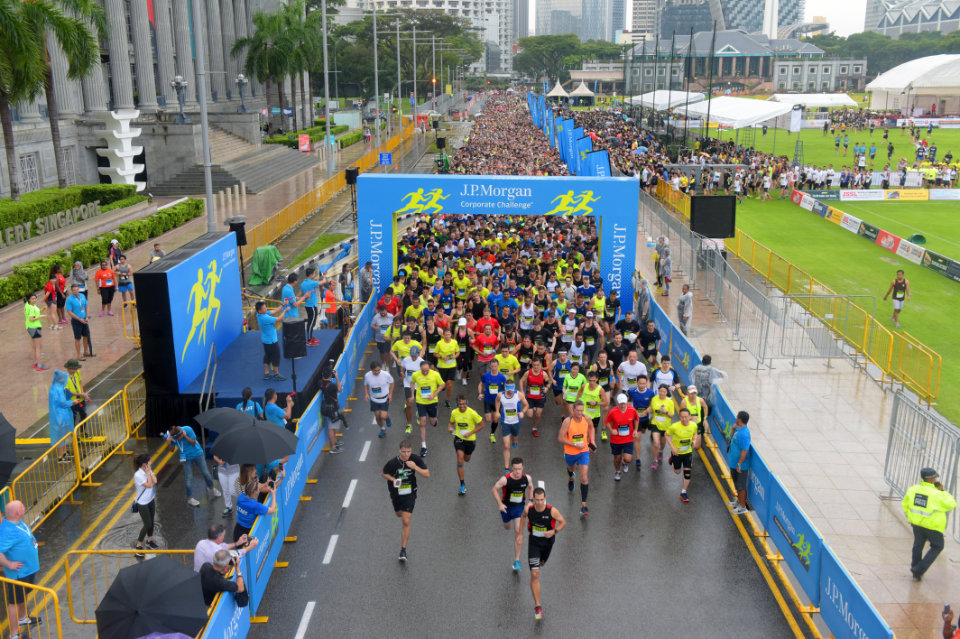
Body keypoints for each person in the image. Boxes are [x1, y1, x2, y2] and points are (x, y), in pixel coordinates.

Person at [902, 467, 957, 580]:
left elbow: (905, 506)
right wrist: (942, 490)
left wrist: (910, 519)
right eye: (935, 477)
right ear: (931, 479)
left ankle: (915, 569)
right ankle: (919, 569)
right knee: (937, 546)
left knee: (918, 546)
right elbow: (951, 503)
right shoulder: (936, 494)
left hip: (917, 524)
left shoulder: (913, 489)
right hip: (933, 526)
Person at [520, 487, 566, 621]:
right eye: (537, 500)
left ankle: (542, 561)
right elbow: (523, 517)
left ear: (545, 498)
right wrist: (519, 533)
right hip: (534, 544)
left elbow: (563, 522)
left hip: (547, 544)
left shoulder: (552, 511)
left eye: (542, 500)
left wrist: (554, 531)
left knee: (542, 563)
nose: (539, 502)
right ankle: (538, 606)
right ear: (533, 499)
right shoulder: (529, 509)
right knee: (535, 574)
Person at [381, 440, 430, 561]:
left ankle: (403, 551)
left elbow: (427, 474)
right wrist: (393, 480)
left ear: (411, 451)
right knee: (399, 514)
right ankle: (400, 511)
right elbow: (384, 474)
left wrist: (415, 467)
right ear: (399, 451)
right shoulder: (393, 463)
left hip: (410, 492)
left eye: (408, 451)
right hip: (396, 493)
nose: (406, 454)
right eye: (404, 452)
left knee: (406, 520)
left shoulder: (416, 459)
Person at [0, 501, 42, 635]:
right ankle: (14, 634)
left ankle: (23, 618)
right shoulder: (7, 532)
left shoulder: (17, 521)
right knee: (14, 602)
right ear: (18, 512)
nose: (25, 508)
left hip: (28, 570)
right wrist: (8, 564)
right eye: (23, 507)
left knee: (22, 596)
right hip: (18, 574)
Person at [492, 457, 532, 572]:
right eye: (515, 469)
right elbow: (494, 489)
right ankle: (507, 522)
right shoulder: (505, 479)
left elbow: (531, 487)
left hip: (519, 508)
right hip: (506, 507)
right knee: (507, 526)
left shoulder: (526, 478)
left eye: (519, 469)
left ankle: (517, 560)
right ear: (512, 469)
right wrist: (500, 504)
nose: (517, 472)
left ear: (522, 467)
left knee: (518, 532)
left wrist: (531, 501)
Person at [165, 425, 221, 506]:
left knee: (206, 473)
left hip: (197, 454)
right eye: (177, 438)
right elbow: (171, 450)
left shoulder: (188, 429)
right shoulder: (173, 437)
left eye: (180, 437)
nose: (179, 439)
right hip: (186, 458)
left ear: (181, 433)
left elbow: (193, 442)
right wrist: (168, 443)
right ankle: (190, 498)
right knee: (189, 478)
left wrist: (185, 436)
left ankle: (211, 488)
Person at [558, 400, 594, 517]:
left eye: (581, 410)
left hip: (583, 451)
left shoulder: (586, 418)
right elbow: (560, 438)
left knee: (584, 478)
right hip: (570, 452)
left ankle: (584, 505)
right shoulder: (567, 422)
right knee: (571, 468)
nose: (579, 413)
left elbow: (591, 428)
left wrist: (592, 441)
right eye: (577, 410)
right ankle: (570, 477)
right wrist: (574, 445)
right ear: (573, 410)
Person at [450, 395, 483, 495]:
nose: (462, 406)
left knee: (466, 459)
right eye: (460, 404)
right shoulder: (454, 412)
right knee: (460, 459)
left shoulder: (472, 413)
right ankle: (462, 484)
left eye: (464, 404)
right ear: (457, 404)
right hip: (459, 439)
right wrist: (450, 428)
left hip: (470, 440)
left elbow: (481, 425)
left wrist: (471, 433)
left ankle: (466, 455)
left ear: (467, 403)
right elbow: (451, 423)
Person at [666, 408, 699, 503]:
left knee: (687, 473)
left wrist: (694, 440)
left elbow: (695, 434)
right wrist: (672, 447)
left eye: (685, 417)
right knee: (677, 472)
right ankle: (672, 459)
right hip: (677, 453)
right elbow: (666, 435)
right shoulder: (674, 426)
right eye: (681, 417)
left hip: (688, 452)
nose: (683, 419)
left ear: (689, 417)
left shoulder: (693, 425)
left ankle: (683, 492)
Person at [604, 394, 639, 481]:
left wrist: (635, 430)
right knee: (617, 458)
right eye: (621, 403)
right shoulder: (612, 412)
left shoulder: (632, 410)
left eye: (624, 403)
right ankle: (617, 471)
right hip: (616, 440)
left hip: (628, 439)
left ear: (627, 402)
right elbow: (607, 422)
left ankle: (625, 462)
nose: (623, 405)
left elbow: (636, 419)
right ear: (618, 403)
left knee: (628, 459)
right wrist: (611, 430)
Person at [495, 382, 529, 473]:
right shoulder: (500, 395)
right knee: (506, 446)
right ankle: (506, 468)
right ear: (505, 388)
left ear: (514, 388)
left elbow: (526, 405)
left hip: (516, 422)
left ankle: (515, 440)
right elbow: (497, 401)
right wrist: (497, 411)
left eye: (512, 389)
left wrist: (523, 412)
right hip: (505, 422)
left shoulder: (519, 395)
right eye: (508, 389)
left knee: (514, 439)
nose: (510, 391)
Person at [132, 453, 159, 557]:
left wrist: (149, 472)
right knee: (147, 524)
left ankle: (149, 540)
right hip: (142, 503)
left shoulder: (148, 470)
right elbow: (148, 485)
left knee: (151, 521)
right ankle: (138, 546)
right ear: (144, 464)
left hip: (151, 499)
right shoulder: (138, 475)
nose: (151, 462)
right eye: (149, 461)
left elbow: (155, 481)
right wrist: (148, 473)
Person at [256, 301, 288, 381]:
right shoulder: (265, 318)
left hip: (265, 340)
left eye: (265, 307)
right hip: (272, 341)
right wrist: (285, 310)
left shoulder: (260, 315)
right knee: (276, 356)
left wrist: (282, 305)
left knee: (267, 356)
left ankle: (266, 373)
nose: (266, 308)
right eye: (264, 308)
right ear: (260, 311)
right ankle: (276, 374)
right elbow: (279, 318)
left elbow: (274, 311)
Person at [727, 411, 751, 515]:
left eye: (737, 417)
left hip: (740, 466)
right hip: (734, 463)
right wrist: (733, 429)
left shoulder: (745, 434)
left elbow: (744, 450)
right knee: (737, 485)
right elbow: (733, 438)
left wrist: (739, 464)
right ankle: (738, 502)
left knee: (741, 486)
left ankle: (742, 506)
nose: (736, 418)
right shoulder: (739, 429)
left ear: (739, 419)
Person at [48, 370, 74, 463]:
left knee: (64, 435)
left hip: (61, 415)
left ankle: (63, 452)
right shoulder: (56, 389)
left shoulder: (56, 387)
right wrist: (72, 402)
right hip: (59, 416)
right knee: (60, 436)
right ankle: (60, 456)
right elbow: (62, 402)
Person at [364, 361, 394, 439]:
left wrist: (390, 394)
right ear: (371, 370)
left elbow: (392, 382)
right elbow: (366, 385)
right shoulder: (367, 376)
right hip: (374, 399)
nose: (377, 372)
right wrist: (366, 394)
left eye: (378, 370)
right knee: (377, 416)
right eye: (375, 371)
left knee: (383, 416)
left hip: (384, 398)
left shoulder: (385, 374)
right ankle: (382, 429)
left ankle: (387, 418)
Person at [649, 384, 676, 470]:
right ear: (658, 391)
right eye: (661, 391)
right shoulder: (654, 399)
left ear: (667, 392)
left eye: (664, 391)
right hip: (655, 424)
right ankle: (654, 460)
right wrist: (648, 411)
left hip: (665, 427)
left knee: (663, 443)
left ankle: (660, 452)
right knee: (656, 443)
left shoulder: (670, 402)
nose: (662, 393)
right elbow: (651, 409)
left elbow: (672, 415)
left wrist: (666, 412)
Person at [65, 284, 93, 360]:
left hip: (84, 319)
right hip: (76, 321)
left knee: (86, 336)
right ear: (71, 290)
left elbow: (86, 306)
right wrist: (78, 319)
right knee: (77, 338)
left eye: (77, 289)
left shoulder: (82, 296)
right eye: (74, 290)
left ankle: (86, 351)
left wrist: (87, 316)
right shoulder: (69, 299)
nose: (76, 291)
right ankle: (78, 354)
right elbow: (69, 311)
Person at [319, 368, 343, 453]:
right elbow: (339, 389)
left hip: (327, 407)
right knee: (331, 428)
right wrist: (336, 377)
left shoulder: (321, 383)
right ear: (330, 376)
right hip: (333, 408)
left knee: (333, 426)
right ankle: (333, 447)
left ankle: (335, 442)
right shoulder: (332, 386)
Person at [24, 295, 46, 371]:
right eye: (32, 299)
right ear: (29, 299)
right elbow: (31, 319)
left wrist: (42, 309)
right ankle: (39, 365)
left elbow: (35, 314)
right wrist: (41, 317)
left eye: (35, 298)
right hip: (35, 327)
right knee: (38, 347)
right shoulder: (31, 307)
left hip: (30, 327)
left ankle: (35, 362)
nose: (34, 300)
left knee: (34, 346)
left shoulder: (28, 305)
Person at [65, 359, 90, 426]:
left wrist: (83, 394)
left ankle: (82, 433)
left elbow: (80, 382)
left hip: (81, 399)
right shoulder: (65, 378)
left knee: (84, 415)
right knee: (73, 418)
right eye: (73, 369)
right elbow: (68, 391)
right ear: (68, 368)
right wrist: (80, 394)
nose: (75, 371)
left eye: (76, 369)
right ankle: (73, 435)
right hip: (73, 401)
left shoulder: (77, 372)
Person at [300, 267, 320, 346]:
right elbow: (323, 282)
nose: (315, 275)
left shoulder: (303, 284)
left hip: (309, 305)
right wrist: (324, 276)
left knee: (311, 322)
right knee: (311, 323)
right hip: (311, 306)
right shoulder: (312, 283)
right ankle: (309, 340)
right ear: (311, 274)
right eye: (314, 273)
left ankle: (310, 337)